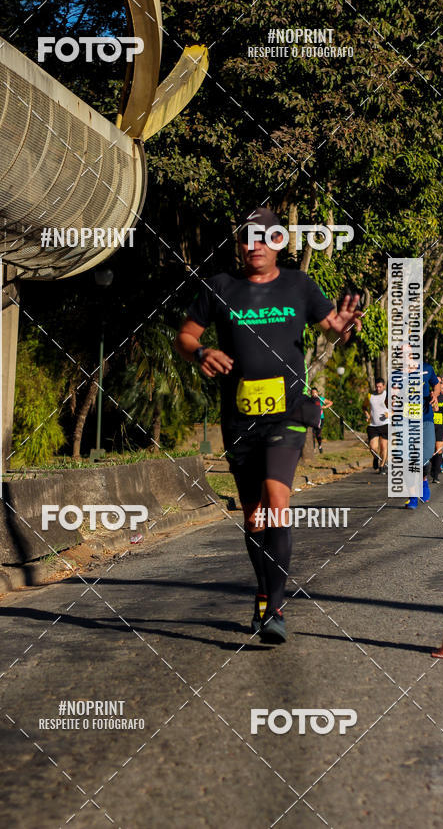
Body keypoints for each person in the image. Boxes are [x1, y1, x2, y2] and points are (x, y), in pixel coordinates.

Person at [175, 206, 363, 644]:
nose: (254, 245)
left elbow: (333, 326)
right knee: (254, 516)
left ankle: (275, 609)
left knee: (277, 501)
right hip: (240, 418)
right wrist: (201, 353)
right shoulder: (220, 287)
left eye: (264, 237)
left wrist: (343, 327)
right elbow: (185, 336)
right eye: (246, 238)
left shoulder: (300, 284)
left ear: (280, 242)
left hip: (289, 412)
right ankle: (264, 593)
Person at [405, 359, 439, 509]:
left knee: (427, 453)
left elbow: (436, 385)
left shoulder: (427, 368)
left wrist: (435, 395)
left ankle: (424, 480)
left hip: (426, 419)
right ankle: (412, 497)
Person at [364, 377, 389, 474]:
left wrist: (389, 413)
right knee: (372, 447)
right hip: (373, 425)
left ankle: (382, 465)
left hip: (385, 424)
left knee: (383, 446)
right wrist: (366, 413)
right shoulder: (370, 395)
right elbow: (364, 406)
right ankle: (375, 457)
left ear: (384, 386)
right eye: (376, 387)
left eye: (380, 387)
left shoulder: (387, 395)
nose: (378, 389)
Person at [310, 387, 333, 454]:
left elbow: (331, 402)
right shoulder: (310, 400)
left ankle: (320, 446)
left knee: (318, 434)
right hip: (312, 419)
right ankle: (313, 448)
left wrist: (324, 407)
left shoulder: (321, 399)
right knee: (313, 434)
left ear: (317, 393)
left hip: (320, 419)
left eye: (315, 392)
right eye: (312, 393)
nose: (314, 394)